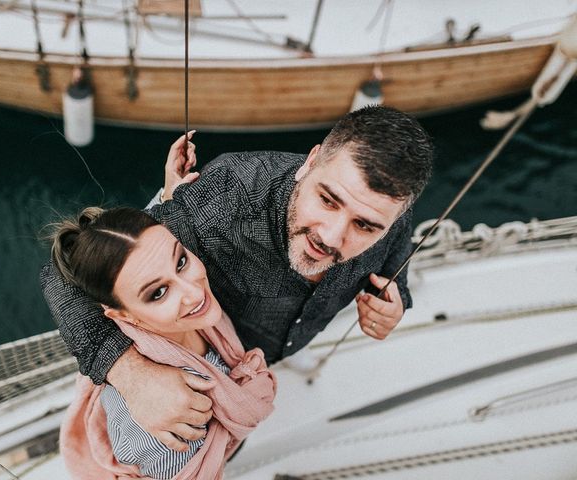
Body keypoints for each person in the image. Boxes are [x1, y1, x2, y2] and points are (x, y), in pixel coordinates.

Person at [41, 105, 433, 452]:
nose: (329, 237)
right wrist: (132, 374)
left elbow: (396, 258)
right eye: (327, 200)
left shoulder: (392, 217)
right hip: (218, 354)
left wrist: (396, 293)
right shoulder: (227, 196)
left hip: (285, 345)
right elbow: (63, 277)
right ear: (310, 162)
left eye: (365, 226)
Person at [49, 206, 275, 479]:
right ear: (122, 315)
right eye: (158, 292)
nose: (194, 292)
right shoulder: (163, 433)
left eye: (180, 261)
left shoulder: (196, 320)